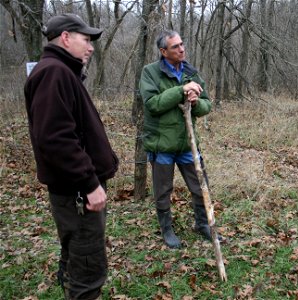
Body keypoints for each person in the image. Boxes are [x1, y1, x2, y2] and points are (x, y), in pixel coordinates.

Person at [24, 14, 119, 300]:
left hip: (75, 191)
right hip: (77, 194)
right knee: (88, 270)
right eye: (86, 39)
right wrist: (89, 183)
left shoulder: (60, 71)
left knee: (76, 258)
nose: (90, 47)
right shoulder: (54, 73)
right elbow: (56, 139)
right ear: (66, 38)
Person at [139, 30, 213, 249]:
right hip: (162, 145)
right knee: (163, 191)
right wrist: (181, 90)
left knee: (201, 186)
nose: (181, 49)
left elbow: (207, 104)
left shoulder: (191, 71)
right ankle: (167, 230)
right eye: (175, 47)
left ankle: (202, 225)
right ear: (163, 52)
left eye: (182, 44)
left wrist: (196, 101)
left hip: (187, 144)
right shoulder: (150, 72)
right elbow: (152, 104)